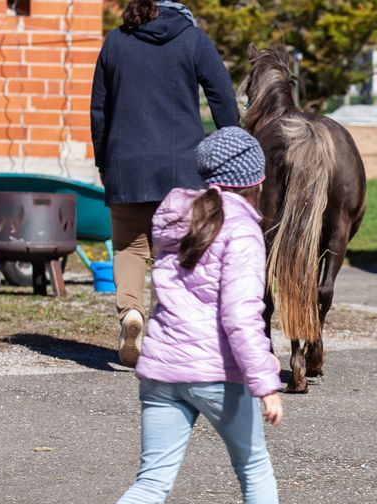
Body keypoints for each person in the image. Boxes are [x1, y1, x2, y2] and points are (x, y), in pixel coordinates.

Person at [63, 128, 316, 504]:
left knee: (151, 480)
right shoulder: (241, 230)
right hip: (215, 373)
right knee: (253, 469)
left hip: (161, 369)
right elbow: (241, 315)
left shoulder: (173, 215)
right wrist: (266, 381)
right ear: (256, 177)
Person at [90, 0, 240, 367]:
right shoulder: (193, 39)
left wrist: (103, 160)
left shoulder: (115, 42)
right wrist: (232, 148)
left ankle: (131, 314)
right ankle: (174, 335)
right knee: (177, 251)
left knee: (129, 246)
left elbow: (99, 108)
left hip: (126, 164)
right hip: (182, 169)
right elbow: (222, 96)